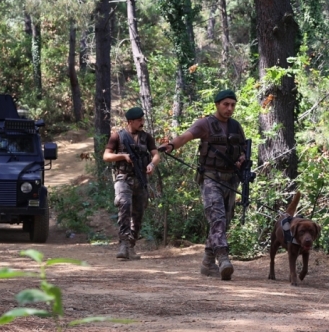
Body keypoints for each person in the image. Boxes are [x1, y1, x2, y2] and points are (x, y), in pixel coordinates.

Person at [158, 89, 247, 280]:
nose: (229, 108)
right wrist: (171, 145)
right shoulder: (205, 124)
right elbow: (184, 137)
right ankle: (223, 258)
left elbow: (242, 151)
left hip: (231, 180)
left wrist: (241, 160)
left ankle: (207, 262)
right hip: (210, 179)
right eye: (226, 104)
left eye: (232, 105)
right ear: (217, 104)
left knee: (223, 223)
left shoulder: (236, 127)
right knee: (217, 219)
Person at [103, 107, 160, 260]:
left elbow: (155, 155)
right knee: (124, 204)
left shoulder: (146, 137)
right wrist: (122, 156)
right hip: (123, 178)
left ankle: (131, 245)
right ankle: (122, 243)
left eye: (143, 119)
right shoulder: (118, 136)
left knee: (138, 214)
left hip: (140, 179)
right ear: (130, 122)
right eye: (139, 120)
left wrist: (151, 165)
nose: (142, 123)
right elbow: (106, 156)